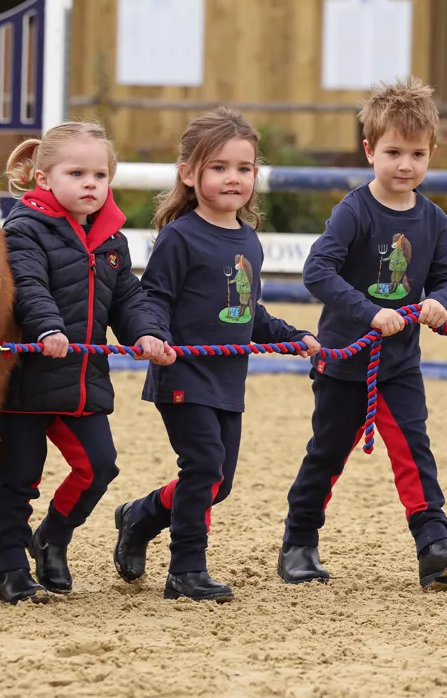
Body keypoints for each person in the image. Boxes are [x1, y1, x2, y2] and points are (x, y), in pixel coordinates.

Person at [278, 77, 447, 591]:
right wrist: (369, 313)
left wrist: (441, 303)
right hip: (345, 361)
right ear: (370, 151)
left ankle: (433, 546)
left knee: (415, 449)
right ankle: (299, 541)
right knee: (328, 453)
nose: (405, 164)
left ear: (432, 154)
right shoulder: (353, 211)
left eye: (417, 154)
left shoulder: (434, 220)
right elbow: (317, 272)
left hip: (401, 363)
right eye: (393, 152)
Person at [112, 109, 320, 602]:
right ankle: (186, 571)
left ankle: (140, 516)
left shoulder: (248, 239)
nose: (233, 178)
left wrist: (292, 336)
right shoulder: (179, 237)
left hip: (227, 378)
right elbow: (155, 297)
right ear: (189, 174)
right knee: (204, 466)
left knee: (218, 482)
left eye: (243, 168)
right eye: (219, 167)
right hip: (182, 373)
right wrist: (153, 337)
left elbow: (247, 312)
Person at [0, 121, 176, 605]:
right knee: (19, 477)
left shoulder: (112, 239)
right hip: (27, 379)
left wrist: (147, 333)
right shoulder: (23, 229)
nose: (90, 184)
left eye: (99, 175)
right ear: (43, 179)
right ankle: (11, 567)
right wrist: (47, 329)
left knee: (99, 467)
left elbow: (127, 298)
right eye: (76, 174)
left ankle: (52, 536)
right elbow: (28, 286)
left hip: (81, 379)